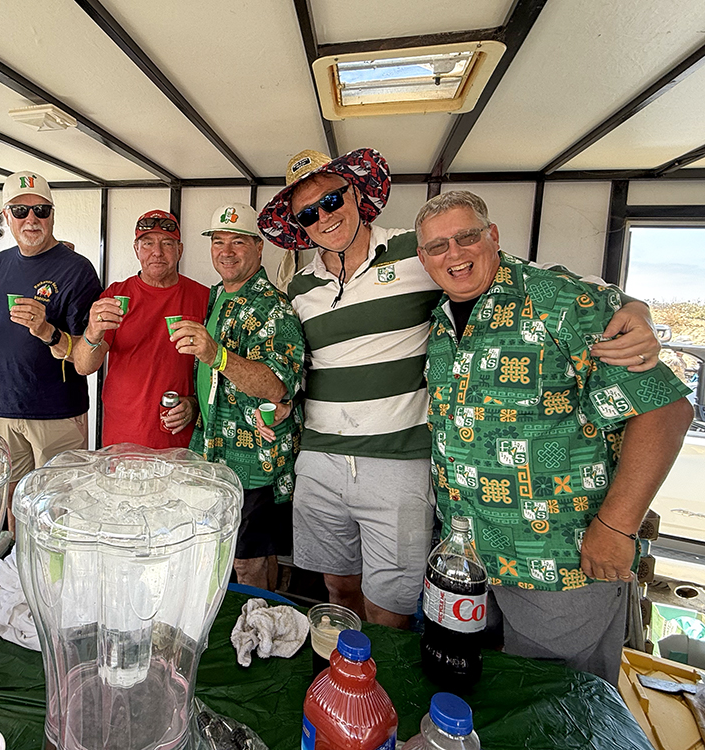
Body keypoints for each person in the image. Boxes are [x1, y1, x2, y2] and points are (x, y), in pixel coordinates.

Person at [258, 148, 662, 628]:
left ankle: (383, 670)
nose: (324, 216)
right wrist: (285, 404)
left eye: (331, 200)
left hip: (398, 460)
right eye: (308, 213)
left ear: (356, 194)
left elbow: (531, 277)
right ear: (299, 226)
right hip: (321, 457)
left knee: (391, 603)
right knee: (338, 586)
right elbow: (303, 364)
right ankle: (344, 666)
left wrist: (635, 308)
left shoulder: (418, 251)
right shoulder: (300, 287)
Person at [415, 190, 692, 680]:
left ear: (492, 235)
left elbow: (665, 410)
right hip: (469, 559)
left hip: (559, 560)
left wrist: (617, 528)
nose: (453, 253)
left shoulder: (558, 301)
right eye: (438, 246)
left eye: (466, 237)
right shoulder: (440, 323)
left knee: (560, 702)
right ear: (423, 258)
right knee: (480, 692)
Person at [0, 170, 101, 524]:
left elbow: (86, 354)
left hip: (56, 412)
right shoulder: (0, 263)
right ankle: (20, 562)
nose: (31, 219)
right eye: (20, 211)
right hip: (2, 408)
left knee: (58, 510)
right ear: (6, 216)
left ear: (52, 215)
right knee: (13, 505)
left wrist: (46, 329)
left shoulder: (77, 270)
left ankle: (57, 564)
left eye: (41, 210)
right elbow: (0, 331)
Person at [172, 202, 304, 590]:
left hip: (253, 459)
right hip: (212, 451)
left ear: (259, 247)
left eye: (238, 241)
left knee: (246, 562)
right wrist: (193, 404)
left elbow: (277, 385)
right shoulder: (215, 297)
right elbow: (215, 383)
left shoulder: (273, 306)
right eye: (218, 241)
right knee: (227, 554)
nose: (226, 251)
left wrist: (217, 354)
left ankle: (258, 619)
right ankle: (259, 614)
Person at [74, 210, 208, 447]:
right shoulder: (116, 296)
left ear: (180, 250)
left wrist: (195, 404)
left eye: (167, 243)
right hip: (123, 437)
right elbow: (84, 366)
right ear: (136, 249)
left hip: (180, 440)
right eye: (147, 243)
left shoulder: (205, 297)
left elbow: (217, 370)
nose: (157, 252)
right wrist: (93, 332)